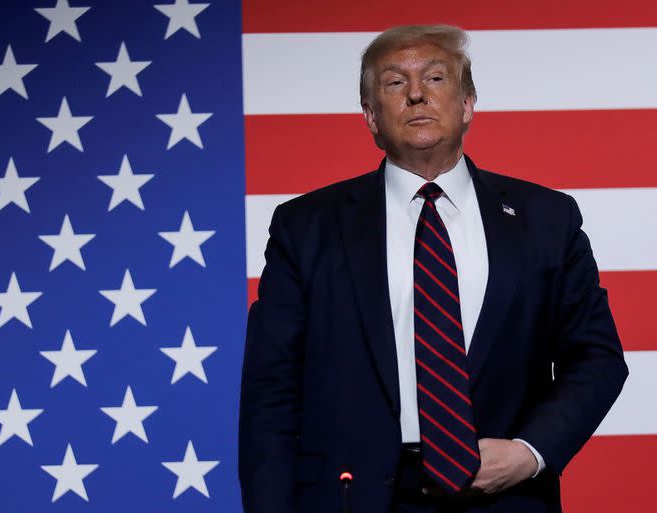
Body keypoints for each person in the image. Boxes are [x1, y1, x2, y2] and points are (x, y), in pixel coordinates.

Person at [238, 24, 628, 513]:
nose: (417, 93)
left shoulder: (547, 219)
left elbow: (597, 358)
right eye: (395, 83)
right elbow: (269, 394)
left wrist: (530, 453)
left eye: (436, 78)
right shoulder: (306, 227)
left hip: (506, 497)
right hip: (351, 497)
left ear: (467, 105)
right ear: (370, 116)